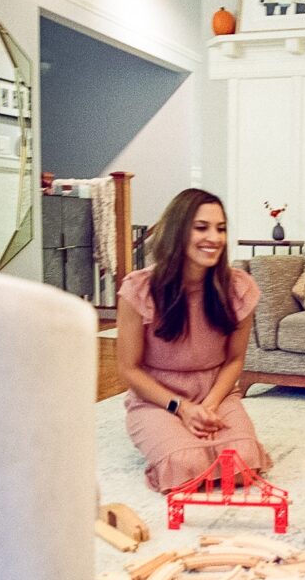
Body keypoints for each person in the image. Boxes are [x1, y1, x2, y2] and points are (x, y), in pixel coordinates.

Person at [116, 188, 270, 492]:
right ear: (178, 231)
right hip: (158, 398)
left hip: (216, 392)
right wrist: (182, 408)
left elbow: (234, 360)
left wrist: (209, 406)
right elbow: (128, 369)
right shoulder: (139, 289)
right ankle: (170, 440)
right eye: (201, 227)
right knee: (186, 466)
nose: (213, 238)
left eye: (221, 229)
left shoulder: (238, 287)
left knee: (241, 462)